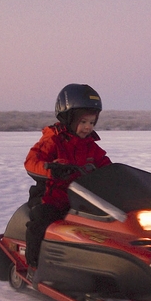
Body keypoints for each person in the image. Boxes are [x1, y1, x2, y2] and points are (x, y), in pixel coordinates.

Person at [24, 83, 111, 269]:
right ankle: (34, 265)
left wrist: (119, 177)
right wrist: (50, 169)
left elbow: (106, 165)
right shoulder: (52, 140)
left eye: (92, 122)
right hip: (51, 197)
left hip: (81, 199)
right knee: (42, 219)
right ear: (69, 119)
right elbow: (31, 162)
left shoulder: (91, 147)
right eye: (83, 122)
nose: (88, 127)